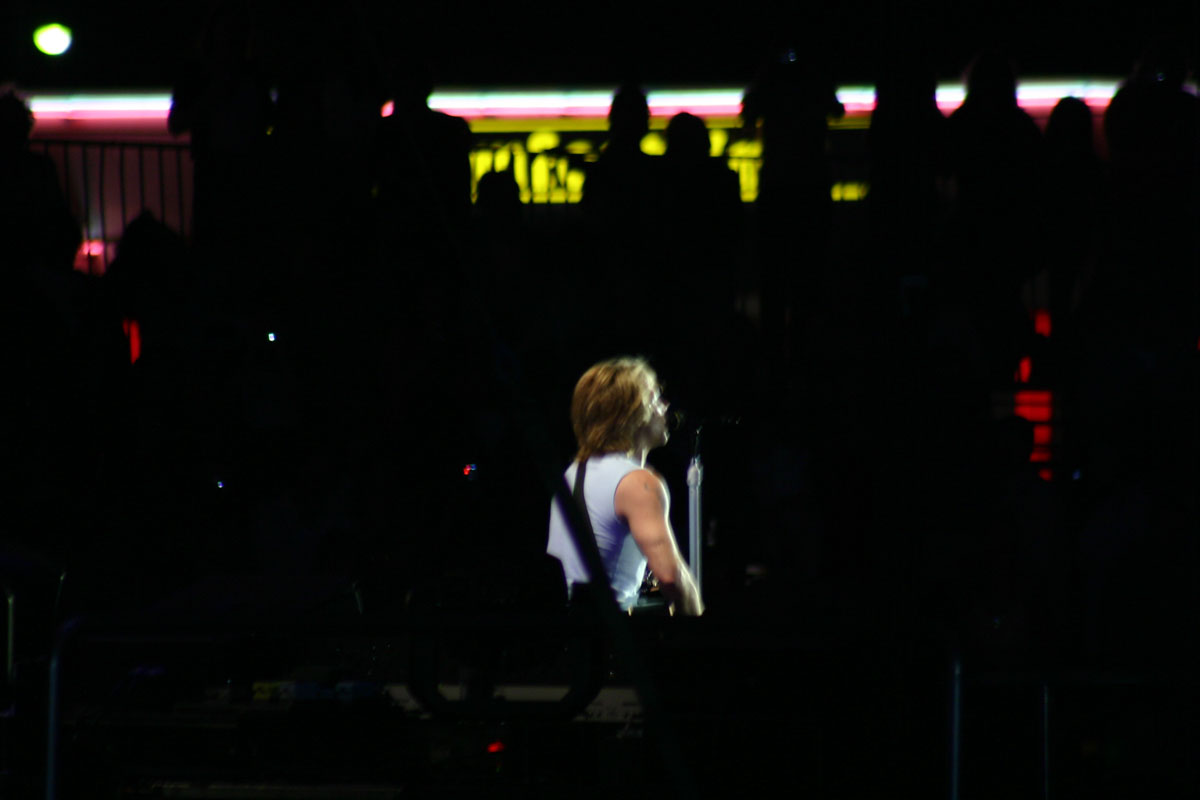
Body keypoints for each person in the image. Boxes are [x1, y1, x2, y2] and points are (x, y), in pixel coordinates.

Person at [547, 357, 703, 616]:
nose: (665, 406)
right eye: (655, 398)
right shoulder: (638, 483)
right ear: (632, 412)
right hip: (613, 633)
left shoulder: (572, 473)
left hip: (571, 628)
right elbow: (673, 581)